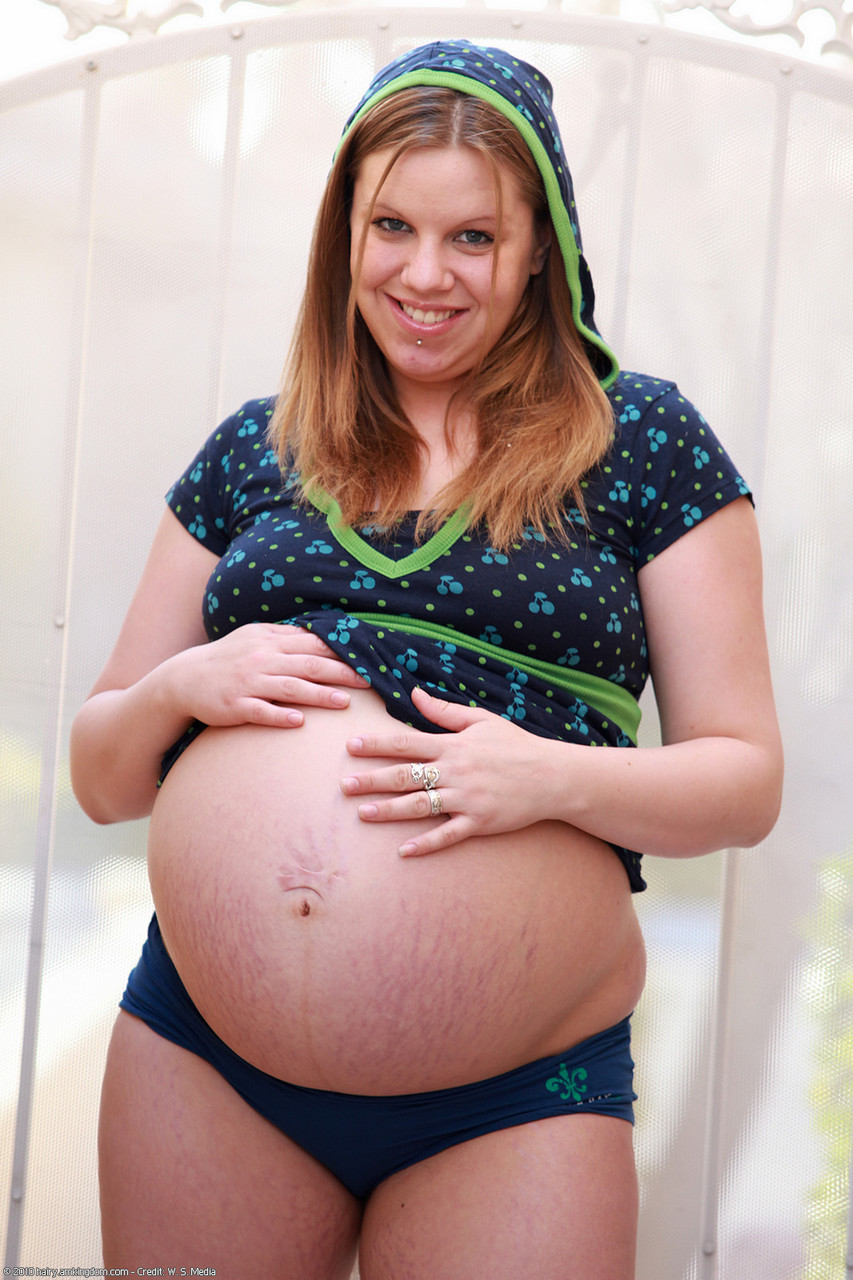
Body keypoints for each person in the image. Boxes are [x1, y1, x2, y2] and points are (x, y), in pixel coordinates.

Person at [70, 40, 783, 1280]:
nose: (424, 274)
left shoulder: (644, 445)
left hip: (513, 1096)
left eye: (473, 238)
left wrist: (550, 776)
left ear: (541, 248)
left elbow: (745, 778)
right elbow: (100, 776)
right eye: (391, 225)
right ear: (343, 230)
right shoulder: (254, 449)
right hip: (205, 1059)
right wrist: (180, 688)